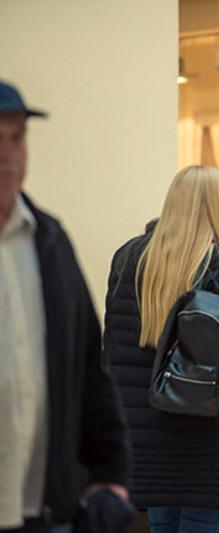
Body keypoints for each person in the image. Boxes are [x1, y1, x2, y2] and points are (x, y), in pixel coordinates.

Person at [0, 80, 130, 533]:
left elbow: (88, 366)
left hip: (44, 510)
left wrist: (110, 473)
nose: (8, 155)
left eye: (16, 138)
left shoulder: (50, 242)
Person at [103, 165, 219, 532]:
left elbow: (113, 344)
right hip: (199, 427)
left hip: (145, 423)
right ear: (217, 207)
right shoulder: (215, 262)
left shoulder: (128, 257)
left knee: (162, 525)